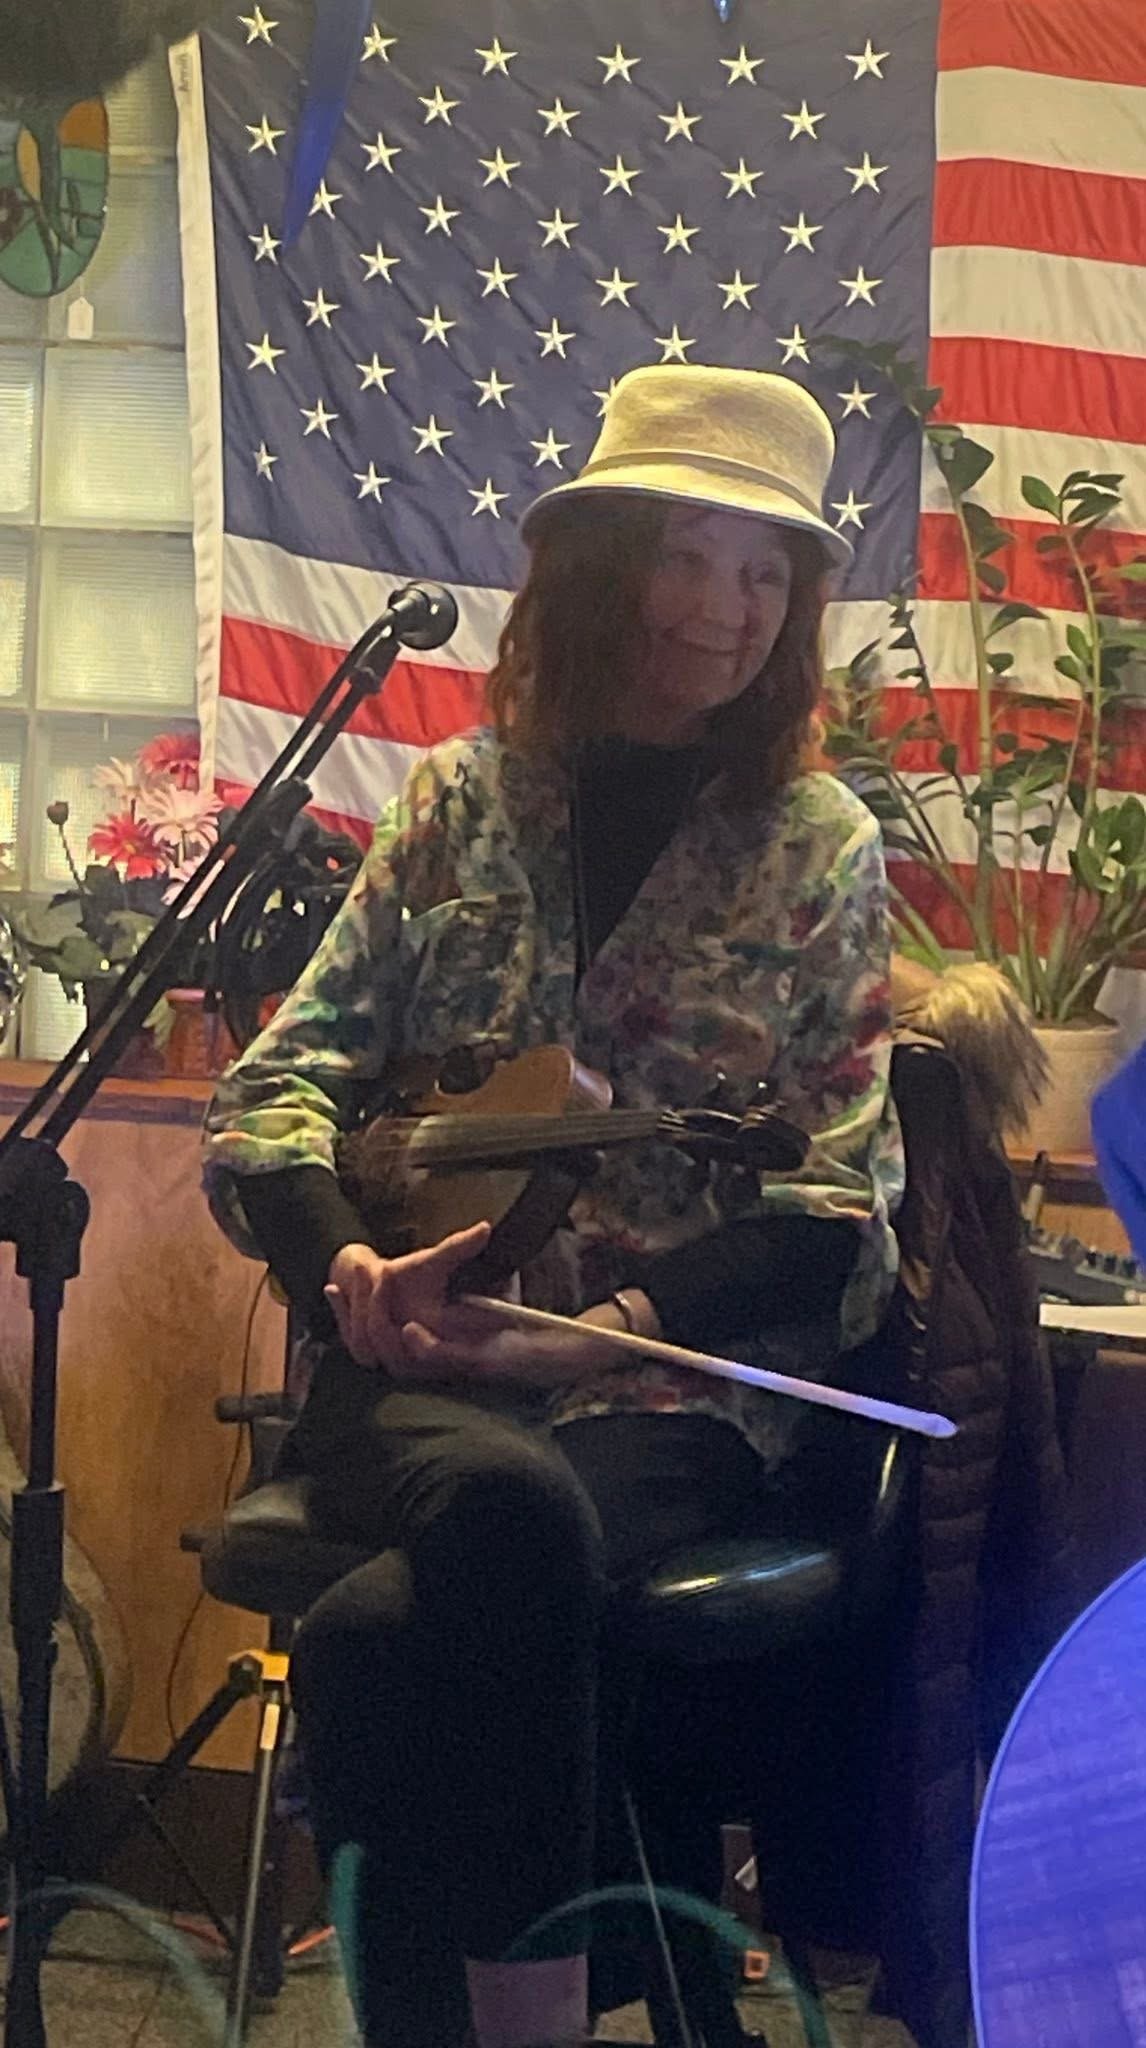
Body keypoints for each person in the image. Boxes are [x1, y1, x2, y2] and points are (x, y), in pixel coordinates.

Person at [202, 364, 905, 2048]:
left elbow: (832, 1197)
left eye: (764, 575)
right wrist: (349, 1267)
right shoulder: (454, 806)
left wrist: (600, 1331)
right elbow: (270, 1094)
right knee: (498, 1532)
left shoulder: (817, 846)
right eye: (686, 558)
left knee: (393, 1628)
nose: (723, 612)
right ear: (598, 572)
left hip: (666, 1389)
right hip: (413, 1366)